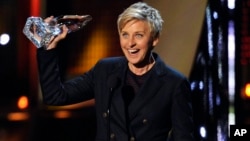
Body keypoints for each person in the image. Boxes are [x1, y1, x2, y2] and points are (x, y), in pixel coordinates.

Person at [36, 2, 194, 141]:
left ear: (154, 39)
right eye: (125, 35)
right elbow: (55, 96)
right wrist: (48, 49)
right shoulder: (105, 70)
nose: (130, 43)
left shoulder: (174, 83)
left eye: (138, 35)